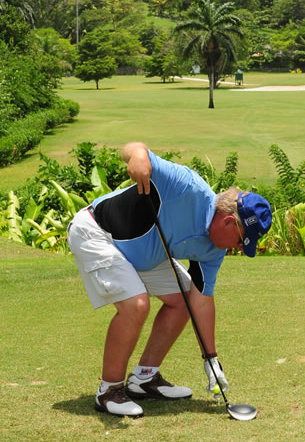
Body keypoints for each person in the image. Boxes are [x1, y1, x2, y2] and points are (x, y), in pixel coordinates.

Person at [67, 142, 272, 418]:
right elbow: (133, 148)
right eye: (239, 241)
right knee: (136, 305)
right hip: (97, 232)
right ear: (227, 222)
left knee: (182, 299)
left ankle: (144, 379)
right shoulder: (186, 186)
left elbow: (201, 299)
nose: (236, 248)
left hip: (144, 255)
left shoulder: (214, 249)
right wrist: (138, 158)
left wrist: (210, 359)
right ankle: (109, 390)